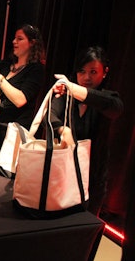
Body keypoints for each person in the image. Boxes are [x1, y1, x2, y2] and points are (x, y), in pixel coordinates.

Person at [50, 46, 124, 216]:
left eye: (93, 72)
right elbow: (51, 114)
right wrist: (63, 129)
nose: (86, 77)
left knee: (86, 227)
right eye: (81, 71)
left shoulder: (108, 98)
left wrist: (72, 88)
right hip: (63, 173)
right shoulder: (66, 95)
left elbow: (115, 108)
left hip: (93, 178)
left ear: (104, 72)